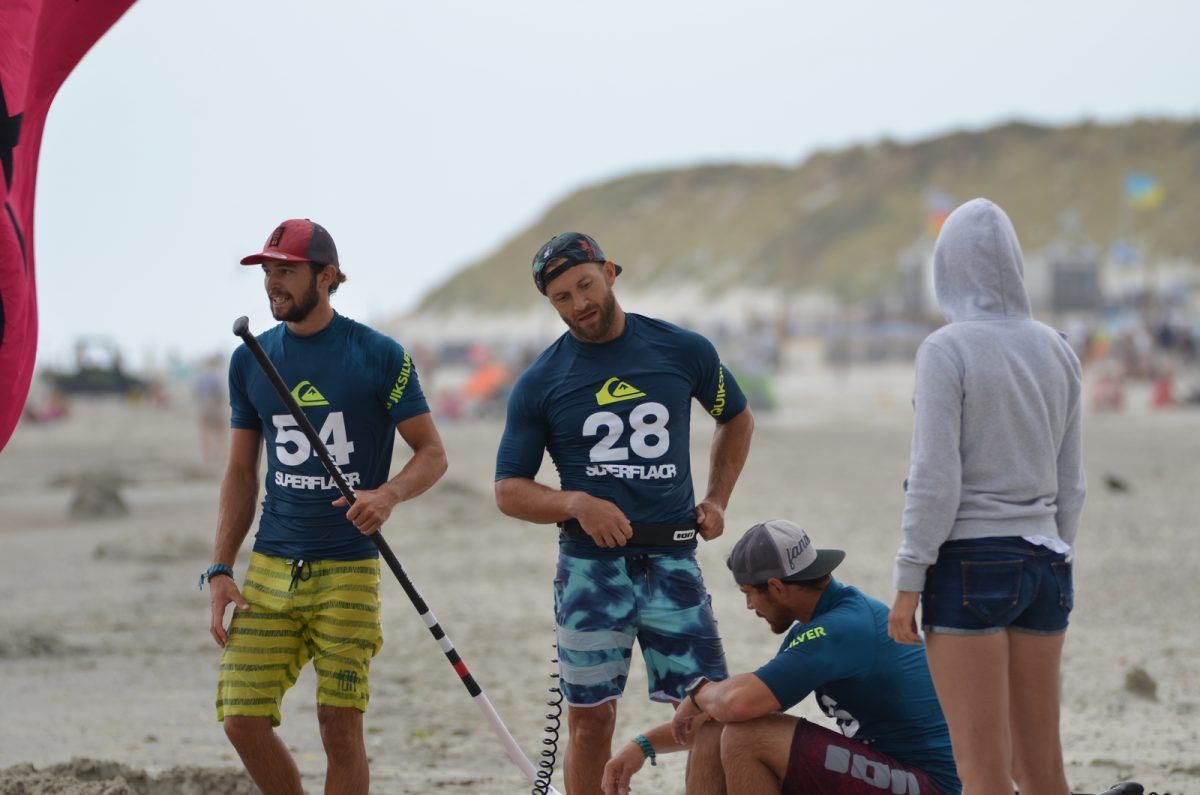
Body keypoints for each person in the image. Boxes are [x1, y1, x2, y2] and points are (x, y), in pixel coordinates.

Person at [494, 232, 755, 794]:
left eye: (584, 285)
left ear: (610, 272)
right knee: (591, 722)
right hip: (590, 573)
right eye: (561, 297)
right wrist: (575, 503)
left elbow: (734, 416)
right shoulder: (540, 382)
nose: (578, 304)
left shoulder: (683, 350)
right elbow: (508, 490)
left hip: (673, 562)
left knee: (708, 712)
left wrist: (716, 499)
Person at [203, 218, 448, 795]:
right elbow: (241, 474)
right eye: (267, 271)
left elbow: (432, 454)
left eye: (285, 270)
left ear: (328, 275)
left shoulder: (379, 355)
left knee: (340, 728)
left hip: (349, 570)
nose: (272, 283)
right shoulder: (251, 360)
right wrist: (219, 567)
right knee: (242, 718)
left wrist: (386, 495)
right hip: (269, 566)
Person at [887, 199, 1084, 795]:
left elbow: (935, 477)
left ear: (948, 269)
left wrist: (907, 581)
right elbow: (1070, 480)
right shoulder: (1058, 347)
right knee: (1042, 770)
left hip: (971, 563)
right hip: (1047, 561)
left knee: (983, 772)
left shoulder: (948, 348)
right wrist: (1055, 552)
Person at [603, 520, 960, 795]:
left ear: (776, 587)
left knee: (745, 736)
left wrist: (698, 693)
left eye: (749, 594)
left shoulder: (840, 629)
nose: (748, 606)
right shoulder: (826, 622)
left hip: (929, 785)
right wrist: (642, 745)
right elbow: (732, 709)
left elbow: (740, 705)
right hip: (889, 772)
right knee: (718, 728)